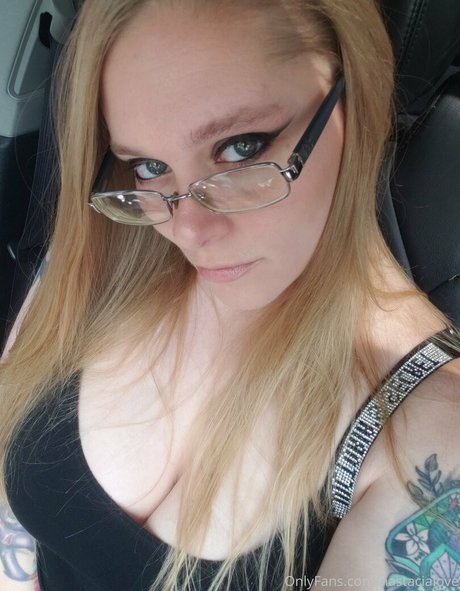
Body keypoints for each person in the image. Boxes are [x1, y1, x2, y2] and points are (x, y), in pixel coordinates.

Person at [1, 0, 459, 590]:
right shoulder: (104, 257)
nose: (187, 230)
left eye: (241, 147)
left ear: (355, 97)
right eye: (148, 165)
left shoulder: (431, 439)